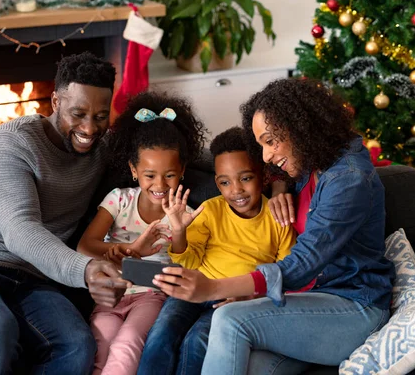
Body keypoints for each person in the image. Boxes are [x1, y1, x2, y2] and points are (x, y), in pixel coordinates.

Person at [151, 78, 396, 374]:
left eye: (270, 141)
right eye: (261, 145)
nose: (266, 155)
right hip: (313, 299)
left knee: (229, 319)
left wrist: (213, 288)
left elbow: (301, 264)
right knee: (242, 362)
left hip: (354, 306)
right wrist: (280, 192)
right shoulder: (315, 160)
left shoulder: (348, 180)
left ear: (300, 127)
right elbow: (265, 174)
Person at [0, 52, 132, 375]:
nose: (89, 127)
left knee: (76, 346)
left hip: (31, 280)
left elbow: (156, 142)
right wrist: (85, 270)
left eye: (100, 116)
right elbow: (20, 231)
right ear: (55, 100)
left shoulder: (100, 150)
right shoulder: (11, 144)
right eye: (78, 113)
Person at [138, 126, 296, 375]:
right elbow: (189, 262)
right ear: (217, 184)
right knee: (162, 334)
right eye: (225, 182)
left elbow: (286, 273)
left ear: (264, 176)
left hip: (232, 299)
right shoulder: (211, 210)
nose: (236, 190)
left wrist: (251, 298)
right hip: (191, 288)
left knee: (197, 342)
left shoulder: (277, 218)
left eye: (245, 178)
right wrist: (178, 232)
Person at [77, 91, 206, 375]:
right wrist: (128, 249)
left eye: (169, 175)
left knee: (128, 342)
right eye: (149, 175)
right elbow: (85, 247)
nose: (160, 184)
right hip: (112, 293)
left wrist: (179, 229)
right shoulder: (118, 200)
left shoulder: (186, 213)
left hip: (151, 296)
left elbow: (187, 263)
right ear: (134, 170)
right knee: (102, 340)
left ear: (182, 170)